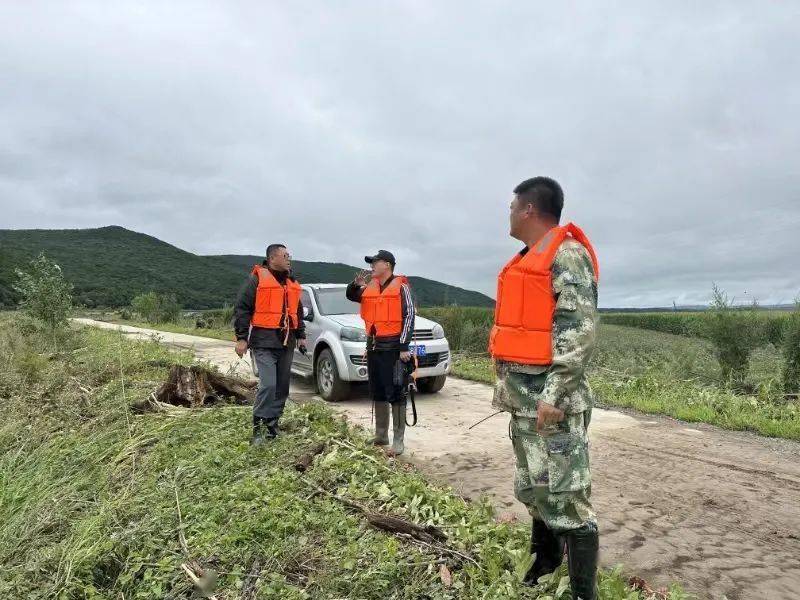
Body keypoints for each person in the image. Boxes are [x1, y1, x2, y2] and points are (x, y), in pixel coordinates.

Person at [489, 177, 600, 599]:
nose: (509, 213)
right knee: (533, 489)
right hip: (524, 404)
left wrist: (553, 395)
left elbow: (578, 331)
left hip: (551, 405)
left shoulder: (567, 256)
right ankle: (546, 561)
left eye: (512, 205)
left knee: (568, 501)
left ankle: (582, 592)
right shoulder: (526, 257)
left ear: (529, 210)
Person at [234, 243, 306, 445]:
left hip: (286, 341)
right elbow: (242, 308)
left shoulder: (291, 282)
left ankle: (272, 426)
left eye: (289, 255)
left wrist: (300, 335)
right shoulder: (256, 279)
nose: (289, 258)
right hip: (263, 341)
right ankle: (257, 429)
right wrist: (241, 338)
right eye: (285, 255)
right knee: (268, 385)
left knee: (282, 387)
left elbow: (296, 311)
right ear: (272, 258)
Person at [346, 250, 415, 456]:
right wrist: (355, 283)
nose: (371, 266)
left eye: (375, 263)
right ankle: (381, 434)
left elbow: (409, 316)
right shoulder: (369, 288)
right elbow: (351, 295)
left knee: (396, 391)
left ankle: (398, 440)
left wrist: (404, 346)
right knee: (377, 390)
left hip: (393, 348)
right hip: (374, 346)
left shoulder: (401, 287)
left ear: (387, 264)